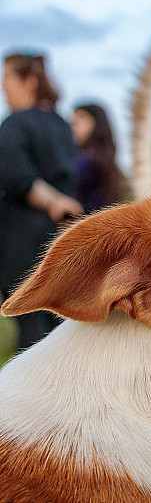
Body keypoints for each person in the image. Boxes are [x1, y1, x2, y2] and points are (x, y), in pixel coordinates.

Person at [0, 51, 83, 350]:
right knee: (60, 327)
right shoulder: (61, 125)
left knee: (31, 329)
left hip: (22, 238)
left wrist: (51, 201)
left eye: (8, 77)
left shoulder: (14, 124)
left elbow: (14, 176)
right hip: (61, 234)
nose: (3, 85)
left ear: (30, 80)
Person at [70, 103, 128, 212]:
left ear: (97, 122)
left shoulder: (89, 159)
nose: (73, 123)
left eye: (81, 117)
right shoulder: (91, 158)